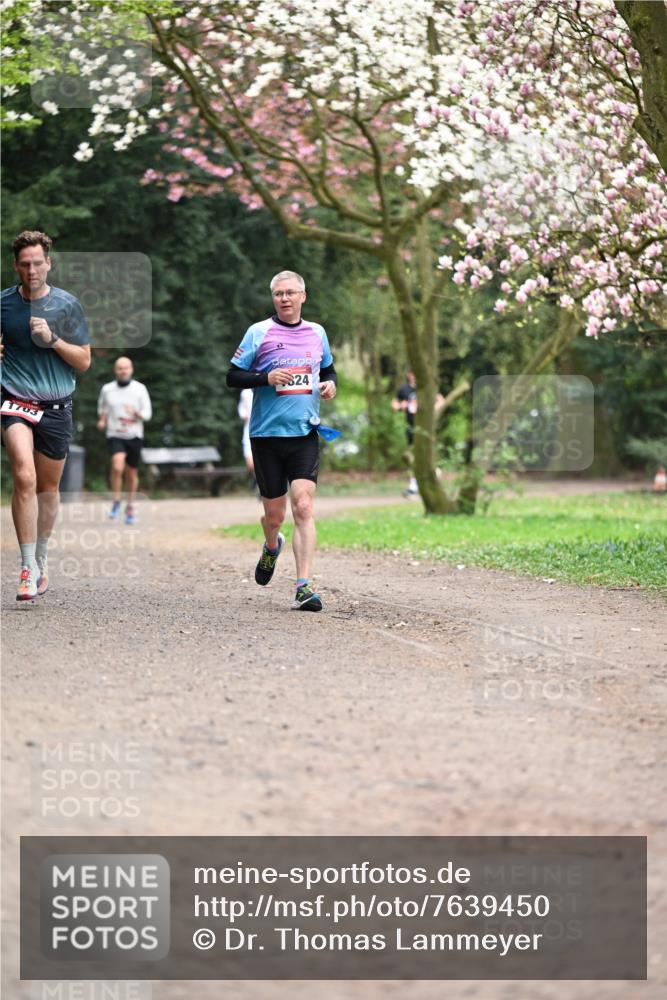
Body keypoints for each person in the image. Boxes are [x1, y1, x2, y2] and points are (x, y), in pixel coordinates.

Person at [226, 270, 337, 611]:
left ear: (304, 296)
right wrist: (265, 378)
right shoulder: (259, 332)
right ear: (273, 298)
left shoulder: (317, 333)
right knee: (273, 516)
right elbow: (232, 376)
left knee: (303, 505)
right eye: (278, 294)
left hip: (304, 433)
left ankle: (303, 586)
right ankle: (272, 546)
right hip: (266, 436)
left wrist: (331, 385)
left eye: (290, 293)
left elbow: (329, 369)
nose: (284, 299)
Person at [1, 230, 91, 600]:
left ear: (48, 263)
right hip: (15, 401)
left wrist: (53, 339)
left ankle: (40, 556)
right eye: (25, 264)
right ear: (16, 266)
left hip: (56, 406)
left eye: (38, 263)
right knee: (24, 475)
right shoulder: (3, 304)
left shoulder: (67, 305)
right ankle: (25, 567)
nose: (32, 270)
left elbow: (84, 361)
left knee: (47, 489)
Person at [97, 357, 152, 524]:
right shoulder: (107, 389)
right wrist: (102, 420)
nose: (123, 371)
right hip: (115, 434)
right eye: (120, 368)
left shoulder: (140, 389)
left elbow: (147, 414)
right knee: (117, 465)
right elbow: (103, 408)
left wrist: (135, 413)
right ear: (115, 370)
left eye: (126, 368)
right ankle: (115, 502)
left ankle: (130, 506)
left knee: (131, 472)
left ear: (131, 369)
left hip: (134, 435)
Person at [392, 369, 419, 496]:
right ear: (409, 374)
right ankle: (413, 484)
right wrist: (400, 406)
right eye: (412, 372)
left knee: (424, 454)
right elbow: (394, 404)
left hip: (425, 427)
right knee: (411, 455)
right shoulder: (404, 389)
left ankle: (432, 475)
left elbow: (440, 401)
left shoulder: (426, 387)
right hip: (411, 427)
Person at [237, 387, 255, 481]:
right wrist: (244, 415)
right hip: (248, 431)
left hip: (264, 430)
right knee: (251, 464)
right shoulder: (245, 392)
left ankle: (260, 489)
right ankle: (259, 484)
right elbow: (241, 409)